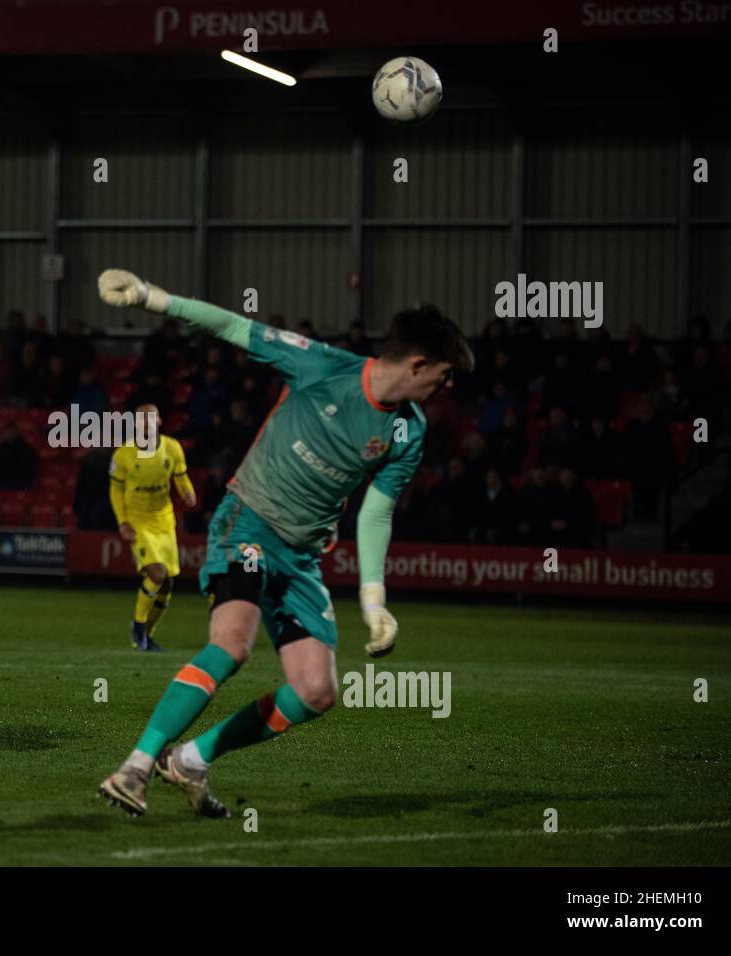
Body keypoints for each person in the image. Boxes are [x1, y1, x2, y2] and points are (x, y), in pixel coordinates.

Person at [94, 269, 472, 818]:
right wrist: (153, 298)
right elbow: (230, 324)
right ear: (417, 364)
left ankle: (193, 759)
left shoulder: (408, 433)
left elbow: (376, 511)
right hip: (247, 522)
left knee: (317, 690)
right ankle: (135, 767)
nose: (447, 387)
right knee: (233, 644)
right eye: (444, 375)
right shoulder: (322, 365)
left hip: (301, 557)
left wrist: (373, 600)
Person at [108, 403, 196, 653]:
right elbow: (115, 489)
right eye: (140, 420)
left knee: (167, 584)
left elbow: (181, 478)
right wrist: (122, 522)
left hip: (164, 521)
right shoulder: (124, 454)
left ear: (159, 422)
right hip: (138, 522)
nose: (145, 423)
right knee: (156, 574)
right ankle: (138, 627)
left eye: (150, 418)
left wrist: (188, 492)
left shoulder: (172, 448)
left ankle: (148, 636)